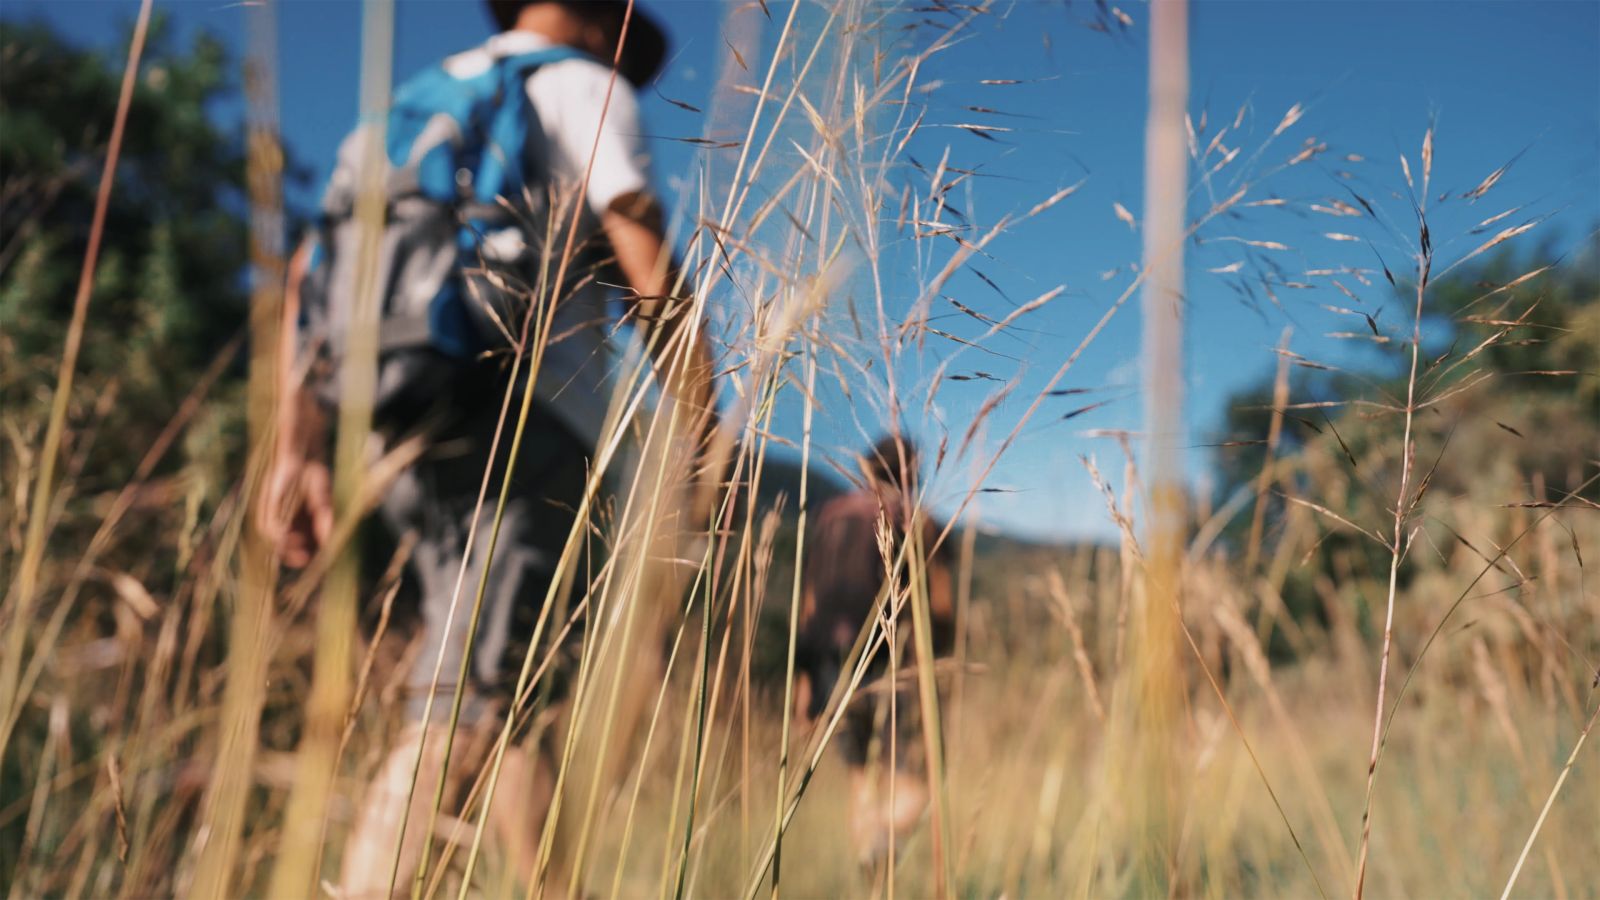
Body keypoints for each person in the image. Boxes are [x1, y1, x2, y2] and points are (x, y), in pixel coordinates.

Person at [259, 2, 715, 896]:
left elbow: (314, 277)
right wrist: (705, 417)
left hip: (393, 422)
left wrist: (298, 448)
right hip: (524, 427)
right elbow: (639, 247)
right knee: (467, 711)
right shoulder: (584, 84)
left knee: (503, 697)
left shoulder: (407, 104)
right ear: (588, 16)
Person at [795, 436, 956, 868]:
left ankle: (871, 865)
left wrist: (804, 685)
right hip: (888, 661)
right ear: (910, 473)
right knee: (910, 785)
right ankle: (883, 849)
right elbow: (941, 605)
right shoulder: (914, 520)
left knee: (860, 782)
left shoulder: (830, 516)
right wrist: (940, 664)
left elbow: (809, 606)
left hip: (829, 663)